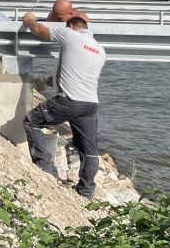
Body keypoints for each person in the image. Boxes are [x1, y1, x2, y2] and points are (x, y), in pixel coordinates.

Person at [20, 10, 107, 199]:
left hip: (69, 101)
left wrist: (28, 20)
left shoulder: (70, 34)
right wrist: (52, 80)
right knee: (89, 148)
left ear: (71, 26)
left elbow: (39, 30)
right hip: (90, 104)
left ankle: (44, 167)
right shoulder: (100, 49)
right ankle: (86, 190)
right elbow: (78, 69)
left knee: (31, 121)